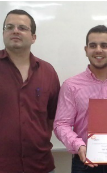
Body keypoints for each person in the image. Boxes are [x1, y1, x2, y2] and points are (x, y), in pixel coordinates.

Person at [53, 25, 107, 173]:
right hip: (84, 162)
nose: (98, 50)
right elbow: (61, 124)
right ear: (86, 50)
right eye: (93, 45)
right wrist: (78, 145)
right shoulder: (71, 86)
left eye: (104, 45)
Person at [0, 9, 60, 173]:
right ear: (3, 33)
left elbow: (52, 117)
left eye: (22, 28)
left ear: (33, 37)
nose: (15, 31)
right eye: (9, 27)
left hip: (40, 165)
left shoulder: (48, 71)